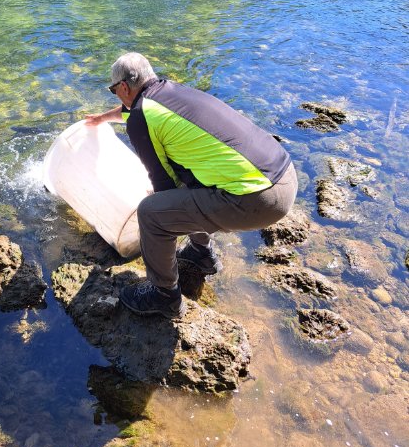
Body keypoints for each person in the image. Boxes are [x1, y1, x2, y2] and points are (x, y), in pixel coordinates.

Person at [85, 52, 297, 320]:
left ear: (123, 87)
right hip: (284, 174)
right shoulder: (172, 92)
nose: (115, 95)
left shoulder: (141, 118)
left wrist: (162, 213)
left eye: (113, 90)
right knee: (189, 183)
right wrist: (102, 118)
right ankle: (201, 254)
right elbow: (132, 110)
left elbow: (163, 184)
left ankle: (164, 295)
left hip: (260, 199)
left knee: (151, 213)